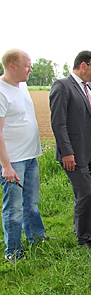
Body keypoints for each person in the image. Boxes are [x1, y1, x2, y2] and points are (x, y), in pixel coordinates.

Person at [50, 50, 91, 251]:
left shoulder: (88, 88)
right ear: (83, 65)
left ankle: (86, 231)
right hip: (74, 153)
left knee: (89, 193)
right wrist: (67, 152)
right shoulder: (63, 86)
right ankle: (83, 238)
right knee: (85, 193)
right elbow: (58, 122)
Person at [0, 49, 47, 262]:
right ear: (13, 66)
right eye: (27, 65)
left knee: (31, 202)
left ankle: (36, 237)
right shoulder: (1, 91)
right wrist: (6, 165)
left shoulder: (23, 86)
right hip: (14, 160)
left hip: (30, 156)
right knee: (14, 207)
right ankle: (13, 251)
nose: (31, 69)